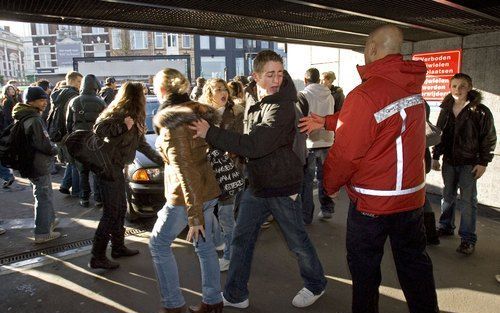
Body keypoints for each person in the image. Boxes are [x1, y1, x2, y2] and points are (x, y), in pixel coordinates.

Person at [300, 25, 439, 313]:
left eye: (365, 47)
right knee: (415, 267)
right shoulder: (410, 86)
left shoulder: (365, 93)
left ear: (373, 48)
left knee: (365, 275)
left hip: (372, 203)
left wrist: (329, 185)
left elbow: (347, 154)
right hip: (412, 200)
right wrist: (327, 121)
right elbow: (382, 115)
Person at [190, 50, 327, 309]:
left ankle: (316, 284)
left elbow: (255, 145)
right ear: (256, 76)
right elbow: (249, 141)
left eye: (279, 73)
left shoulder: (282, 105)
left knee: (297, 241)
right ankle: (235, 294)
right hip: (258, 183)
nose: (276, 79)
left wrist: (211, 133)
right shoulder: (256, 99)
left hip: (281, 186)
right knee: (242, 239)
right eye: (270, 74)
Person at [149, 68, 223, 313]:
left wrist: (194, 215)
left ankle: (173, 306)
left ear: (162, 90)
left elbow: (185, 169)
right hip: (207, 190)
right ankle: (212, 302)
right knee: (205, 247)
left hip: (186, 196)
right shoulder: (197, 115)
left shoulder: (173, 123)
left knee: (158, 244)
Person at [89, 82, 163, 270]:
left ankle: (118, 247)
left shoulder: (135, 117)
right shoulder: (118, 114)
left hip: (118, 167)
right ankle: (97, 256)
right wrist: (122, 127)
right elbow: (99, 130)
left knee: (120, 209)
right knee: (111, 212)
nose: (145, 98)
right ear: (135, 97)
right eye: (143, 95)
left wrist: (161, 160)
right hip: (107, 168)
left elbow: (142, 144)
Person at [432, 73, 496, 255]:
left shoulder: (480, 111)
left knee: (468, 201)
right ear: (450, 88)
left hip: (470, 163)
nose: (458, 90)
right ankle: (445, 226)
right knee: (447, 196)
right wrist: (436, 156)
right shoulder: (446, 109)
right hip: (449, 161)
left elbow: (489, 138)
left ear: (469, 88)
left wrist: (483, 162)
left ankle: (468, 239)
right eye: (454, 86)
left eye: (462, 86)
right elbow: (439, 134)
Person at [199, 78, 244, 272]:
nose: (222, 92)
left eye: (224, 89)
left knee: (226, 214)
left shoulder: (235, 114)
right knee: (208, 211)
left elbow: (240, 141)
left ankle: (230, 256)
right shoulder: (203, 116)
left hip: (228, 171)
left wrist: (228, 151)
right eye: (217, 89)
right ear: (209, 93)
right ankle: (222, 244)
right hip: (209, 172)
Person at [13, 87, 60, 243]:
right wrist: (55, 149)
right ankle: (42, 232)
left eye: (45, 99)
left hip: (30, 163)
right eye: (41, 100)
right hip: (38, 164)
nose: (45, 102)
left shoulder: (23, 116)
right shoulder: (34, 119)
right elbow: (44, 144)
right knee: (43, 196)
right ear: (30, 102)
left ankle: (50, 221)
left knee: (43, 194)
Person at [297, 67, 335, 224]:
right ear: (319, 79)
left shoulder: (304, 94)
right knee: (324, 177)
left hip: (310, 142)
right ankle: (327, 209)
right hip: (327, 140)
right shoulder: (330, 95)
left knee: (307, 180)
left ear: (305, 80)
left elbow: (301, 119)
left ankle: (306, 215)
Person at [66, 74, 106, 208]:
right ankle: (99, 198)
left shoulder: (74, 101)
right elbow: (105, 123)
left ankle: (84, 198)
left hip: (78, 140)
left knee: (82, 171)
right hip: (95, 140)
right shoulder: (100, 102)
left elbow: (68, 123)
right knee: (96, 171)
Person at [52, 71, 83, 197]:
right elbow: (71, 117)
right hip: (67, 133)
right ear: (71, 80)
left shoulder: (58, 94)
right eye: (79, 81)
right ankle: (77, 191)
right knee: (76, 163)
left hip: (58, 132)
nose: (80, 85)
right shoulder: (73, 95)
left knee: (71, 161)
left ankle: (65, 185)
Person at [1, 84, 17, 188]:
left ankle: (7, 175)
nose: (12, 90)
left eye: (13, 89)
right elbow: (8, 116)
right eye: (10, 89)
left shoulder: (12, 100)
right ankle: (7, 175)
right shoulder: (7, 101)